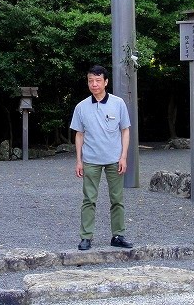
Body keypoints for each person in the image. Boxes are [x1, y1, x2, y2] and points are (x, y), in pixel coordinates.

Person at [70, 65, 133, 251]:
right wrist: (79, 160)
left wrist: (123, 157)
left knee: (117, 199)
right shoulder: (81, 107)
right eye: (91, 80)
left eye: (98, 80)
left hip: (114, 158)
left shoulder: (118, 103)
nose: (94, 84)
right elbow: (79, 134)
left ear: (106, 82)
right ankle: (86, 237)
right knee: (89, 199)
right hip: (91, 159)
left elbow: (125, 130)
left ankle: (118, 235)